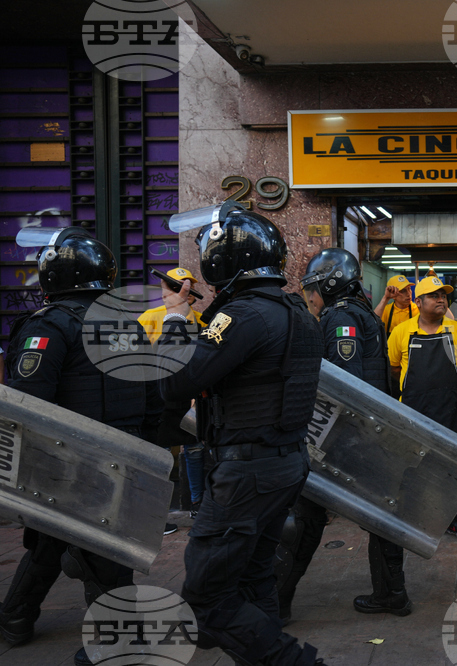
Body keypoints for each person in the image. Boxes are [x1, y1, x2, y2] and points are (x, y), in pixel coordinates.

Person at [158, 204, 324, 666]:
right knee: (254, 580)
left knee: (208, 596)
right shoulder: (295, 312)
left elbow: (174, 380)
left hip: (247, 473)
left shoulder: (243, 315)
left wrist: (175, 316)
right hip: (283, 463)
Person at [0, 228, 143, 666]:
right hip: (124, 455)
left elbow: (25, 404)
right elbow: (157, 396)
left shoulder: (47, 325)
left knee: (101, 555)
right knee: (51, 539)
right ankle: (15, 616)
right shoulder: (128, 324)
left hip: (71, 459)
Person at [278, 248, 413, 621]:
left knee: (304, 517)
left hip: (348, 435)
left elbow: (342, 384)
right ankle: (392, 593)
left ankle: (276, 602)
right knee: (380, 515)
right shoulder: (362, 311)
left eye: (313, 287)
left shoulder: (341, 318)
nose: (311, 295)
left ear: (329, 282)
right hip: (371, 433)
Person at [387, 275, 457, 541]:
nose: (441, 299)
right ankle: (409, 517)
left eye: (444, 296)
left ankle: (453, 517)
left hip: (448, 410)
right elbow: (394, 368)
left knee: (450, 467)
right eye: (434, 295)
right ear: (418, 301)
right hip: (413, 409)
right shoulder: (401, 332)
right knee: (411, 466)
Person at [139, 267, 207, 530]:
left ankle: (197, 506)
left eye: (189, 286)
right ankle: (157, 515)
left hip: (190, 396)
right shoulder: (149, 318)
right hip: (159, 396)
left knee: (195, 449)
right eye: (180, 286)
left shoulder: (202, 320)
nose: (186, 291)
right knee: (160, 454)